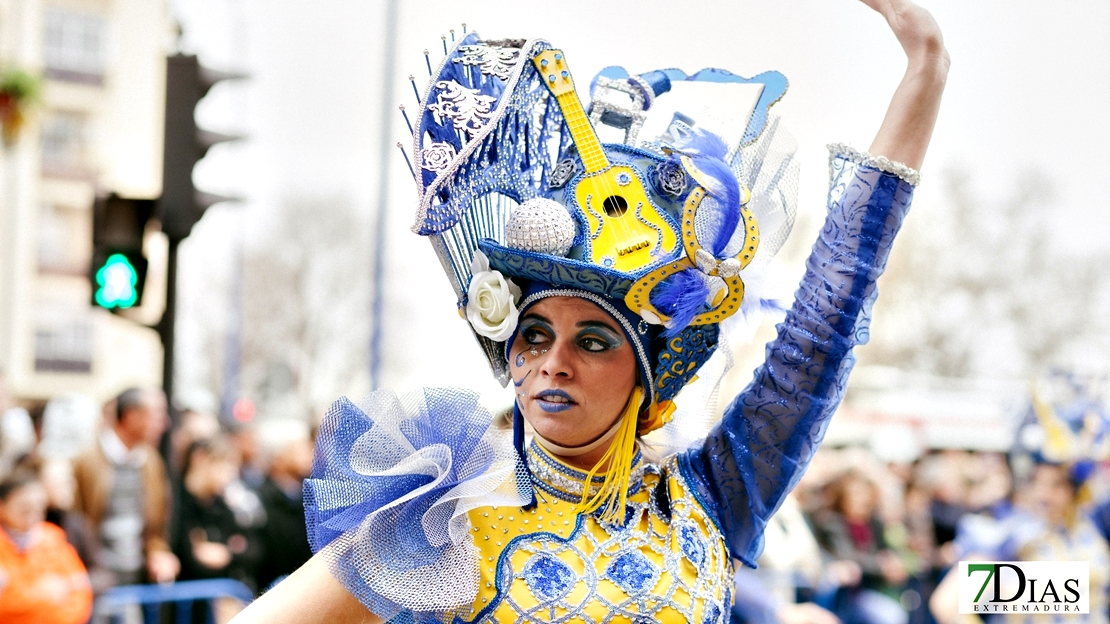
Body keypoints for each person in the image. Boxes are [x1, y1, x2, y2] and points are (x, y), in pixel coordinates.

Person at [235, 0, 948, 621]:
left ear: (647, 370)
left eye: (596, 340)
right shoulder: (440, 521)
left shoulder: (711, 496)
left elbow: (820, 334)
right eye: (535, 333)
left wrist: (925, 69)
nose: (553, 362)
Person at [72, 387, 179, 592]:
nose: (164, 423)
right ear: (131, 415)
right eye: (157, 414)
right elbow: (75, 522)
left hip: (135, 580)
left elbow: (156, 527)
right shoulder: (86, 462)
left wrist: (158, 553)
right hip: (92, 583)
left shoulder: (151, 462)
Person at [0, 466, 93, 624]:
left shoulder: (53, 538)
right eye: (24, 507)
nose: (33, 513)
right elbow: (6, 604)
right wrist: (44, 594)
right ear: (2, 506)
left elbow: (81, 590)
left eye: (38, 506)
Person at [254, 418, 315, 590]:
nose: (309, 453)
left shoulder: (310, 495)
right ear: (279, 455)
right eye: (299, 448)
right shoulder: (259, 499)